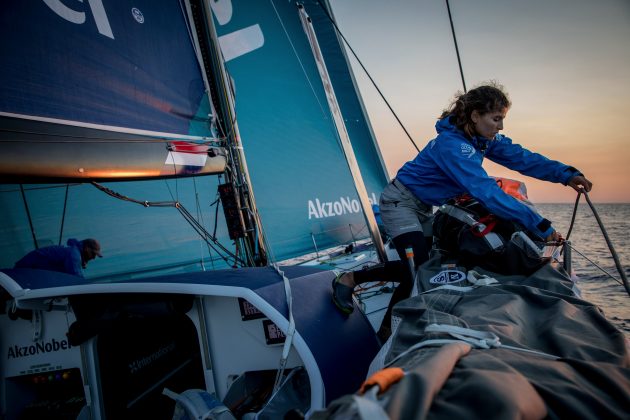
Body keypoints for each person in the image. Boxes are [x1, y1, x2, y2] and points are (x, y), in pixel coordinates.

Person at [332, 82, 593, 340]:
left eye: (503, 119)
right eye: (496, 118)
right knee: (418, 268)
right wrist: (541, 225)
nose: (500, 126)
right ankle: (350, 278)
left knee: (419, 269)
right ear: (475, 115)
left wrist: (566, 174)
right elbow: (486, 192)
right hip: (400, 202)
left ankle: (386, 331)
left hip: (425, 206)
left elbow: (522, 158)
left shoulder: (482, 140)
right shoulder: (452, 145)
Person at [14, 238, 103, 277]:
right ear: (87, 249)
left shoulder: (73, 252)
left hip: (27, 272)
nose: (94, 258)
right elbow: (76, 279)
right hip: (23, 271)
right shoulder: (74, 255)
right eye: (94, 254)